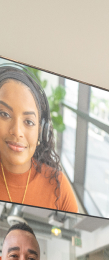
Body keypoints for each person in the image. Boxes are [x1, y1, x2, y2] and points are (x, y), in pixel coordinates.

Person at [0, 67, 78, 212]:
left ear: (41, 133)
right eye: (4, 114)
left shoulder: (59, 188)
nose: (17, 131)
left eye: (29, 122)